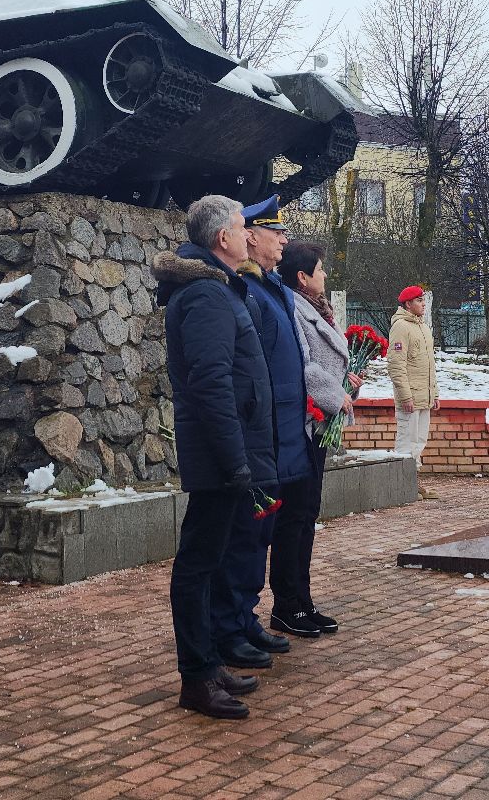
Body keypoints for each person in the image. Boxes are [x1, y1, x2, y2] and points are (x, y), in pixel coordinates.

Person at [153, 194, 272, 719]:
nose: (250, 235)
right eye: (244, 227)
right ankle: (196, 678)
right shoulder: (205, 296)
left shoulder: (216, 291)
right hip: (220, 455)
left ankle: (208, 665)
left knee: (211, 560)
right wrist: (235, 461)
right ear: (222, 239)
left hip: (227, 452)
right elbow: (212, 384)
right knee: (198, 565)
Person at [210, 194, 302, 668]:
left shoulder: (271, 286)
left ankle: (243, 618)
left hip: (279, 430)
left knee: (260, 534)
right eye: (275, 231)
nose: (284, 239)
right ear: (248, 234)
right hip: (259, 430)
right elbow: (250, 370)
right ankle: (230, 624)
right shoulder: (247, 289)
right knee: (245, 535)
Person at [271, 240, 354, 638]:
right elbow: (302, 366)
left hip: (318, 424)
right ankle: (286, 604)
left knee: (307, 515)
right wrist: (336, 394)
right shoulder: (292, 309)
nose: (325, 275)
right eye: (320, 269)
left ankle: (302, 600)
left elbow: (325, 361)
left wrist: (344, 381)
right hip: (303, 424)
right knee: (295, 516)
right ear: (302, 277)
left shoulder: (316, 308)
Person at [386, 284, 439, 500]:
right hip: (410, 397)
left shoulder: (423, 328)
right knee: (406, 441)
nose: (423, 304)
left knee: (418, 440)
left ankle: (412, 482)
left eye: (424, 300)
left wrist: (434, 393)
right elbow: (396, 364)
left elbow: (429, 365)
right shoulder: (401, 327)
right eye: (419, 301)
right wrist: (405, 395)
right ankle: (400, 486)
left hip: (423, 396)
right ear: (408, 304)